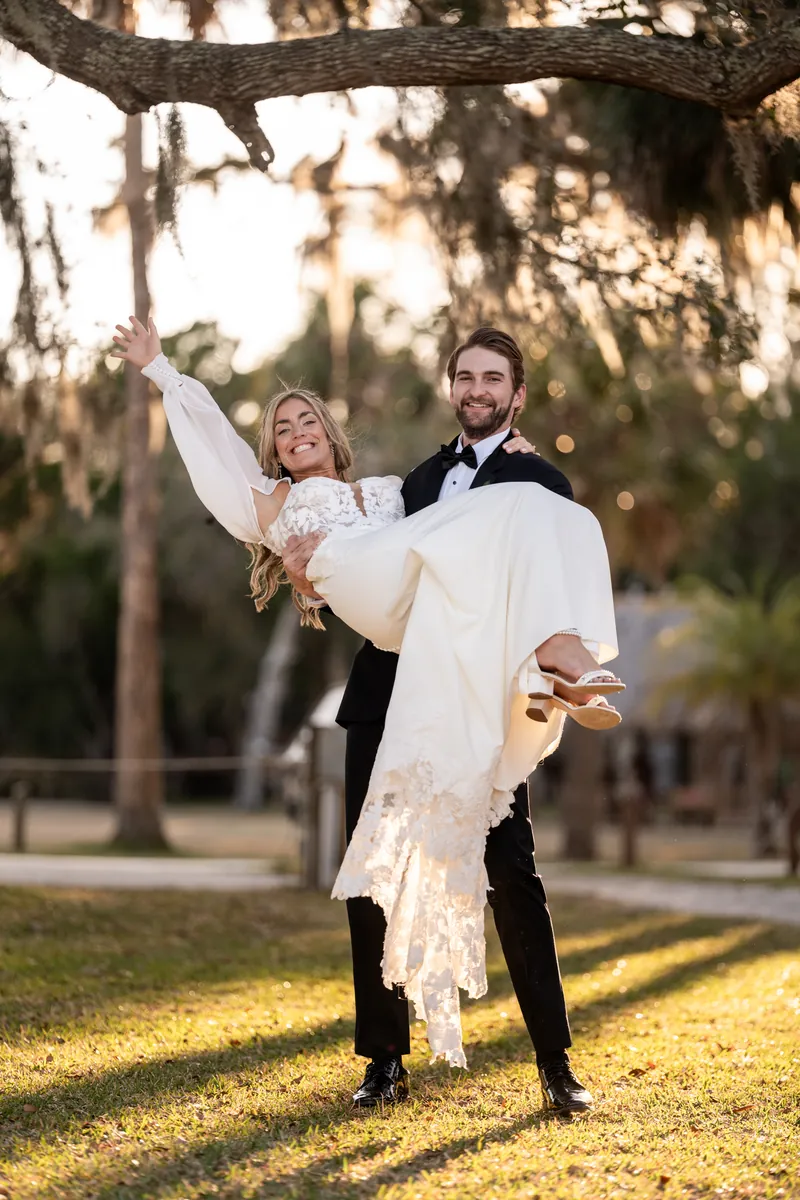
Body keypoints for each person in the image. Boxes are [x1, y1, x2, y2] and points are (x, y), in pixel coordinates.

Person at [112, 316, 622, 1113]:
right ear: (452, 389)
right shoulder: (415, 482)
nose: (477, 391)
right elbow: (242, 475)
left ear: (517, 395)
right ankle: (384, 1061)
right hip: (385, 686)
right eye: (466, 378)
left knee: (512, 874)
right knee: (371, 878)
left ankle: (556, 1065)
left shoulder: (537, 483)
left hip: (471, 696)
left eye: (493, 380)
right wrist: (165, 376)